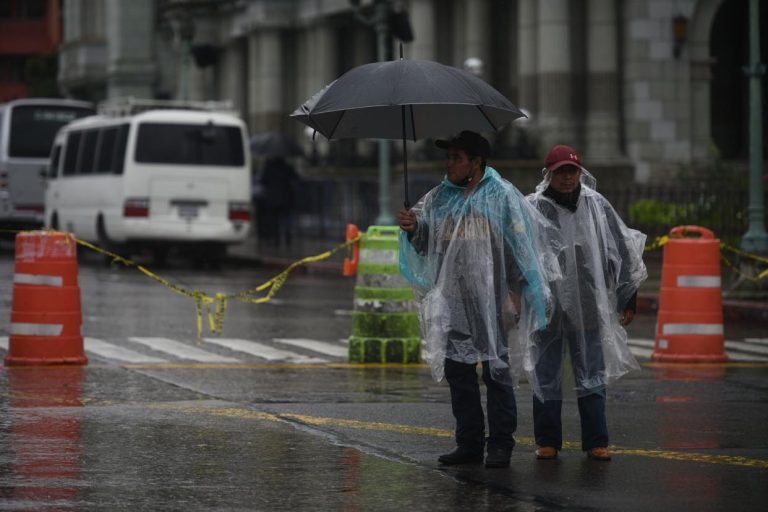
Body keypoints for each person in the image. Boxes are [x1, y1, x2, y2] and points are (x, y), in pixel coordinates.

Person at [398, 131, 558, 468]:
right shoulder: (441, 196)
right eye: (449, 157)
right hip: (455, 302)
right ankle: (468, 443)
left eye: (457, 157)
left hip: (494, 302)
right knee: (460, 375)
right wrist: (415, 229)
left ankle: (500, 444)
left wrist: (513, 294)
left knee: (497, 374)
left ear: (476, 162)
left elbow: (519, 248)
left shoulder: (501, 196)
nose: (450, 163)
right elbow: (430, 243)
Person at [526, 144, 648, 461]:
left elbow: (619, 250)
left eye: (572, 171)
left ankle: (597, 440)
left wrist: (627, 296)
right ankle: (548, 440)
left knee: (591, 373)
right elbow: (519, 254)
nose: (567, 178)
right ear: (548, 174)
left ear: (580, 172)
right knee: (546, 375)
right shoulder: (533, 207)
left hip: (588, 304)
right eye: (560, 172)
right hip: (547, 308)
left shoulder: (596, 205)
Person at [257, 156, 300, 247]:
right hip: (286, 198)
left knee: (275, 221)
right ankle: (288, 239)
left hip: (273, 199)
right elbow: (296, 178)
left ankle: (277, 240)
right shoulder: (287, 167)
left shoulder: (269, 168)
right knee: (286, 219)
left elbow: (262, 181)